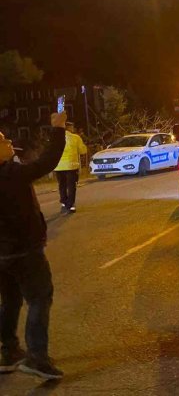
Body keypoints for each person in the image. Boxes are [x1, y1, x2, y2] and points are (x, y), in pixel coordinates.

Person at [0, 111, 66, 379]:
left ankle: (8, 351)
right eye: (3, 140)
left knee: (10, 300)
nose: (9, 142)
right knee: (39, 298)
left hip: (1, 255)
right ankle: (37, 358)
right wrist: (58, 130)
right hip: (24, 250)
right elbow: (47, 162)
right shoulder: (11, 174)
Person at [54, 122, 87, 214]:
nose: (73, 128)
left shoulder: (55, 138)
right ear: (69, 128)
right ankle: (71, 204)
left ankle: (64, 201)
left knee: (62, 185)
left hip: (58, 166)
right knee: (71, 186)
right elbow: (83, 150)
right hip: (71, 166)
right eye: (72, 127)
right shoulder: (75, 137)